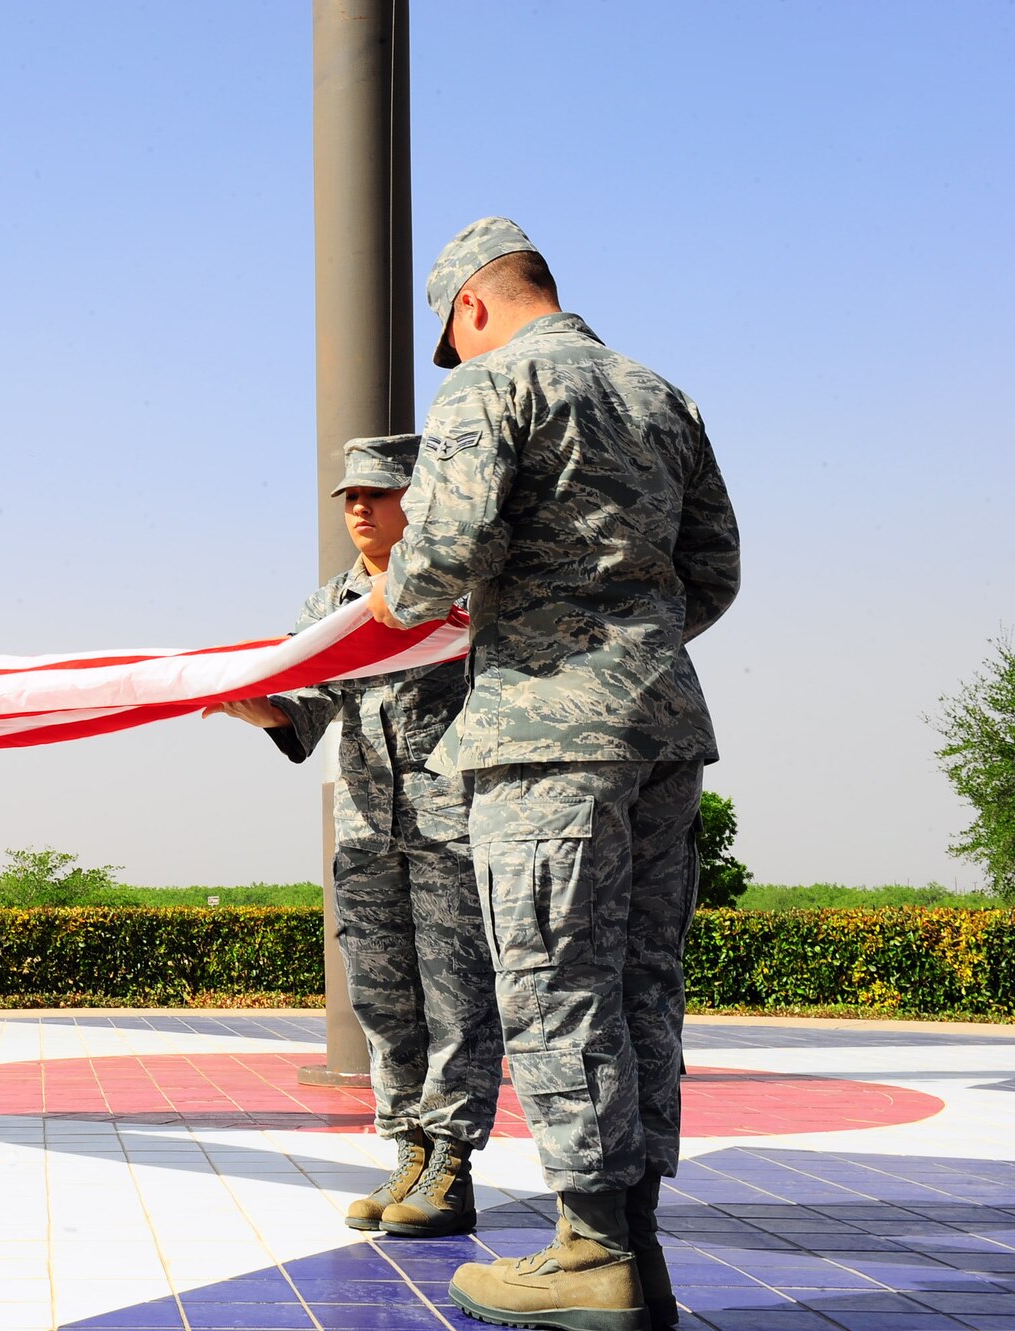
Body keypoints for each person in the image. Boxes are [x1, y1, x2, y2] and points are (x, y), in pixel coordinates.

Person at [368, 219, 741, 1331]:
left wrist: (393, 607)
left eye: (453, 335)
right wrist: (627, 640)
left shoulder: (490, 390)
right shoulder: (658, 396)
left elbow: (438, 553)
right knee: (639, 990)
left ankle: (588, 1250)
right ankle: (635, 1243)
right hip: (660, 732)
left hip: (542, 740)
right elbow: (713, 572)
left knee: (552, 982)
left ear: (469, 307)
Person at [208, 434, 501, 1239]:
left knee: (457, 997)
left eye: (377, 492)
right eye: (349, 495)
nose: (359, 507)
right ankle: (408, 1149)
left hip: (449, 823)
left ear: (418, 498)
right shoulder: (331, 604)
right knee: (383, 998)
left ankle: (451, 1161)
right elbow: (306, 705)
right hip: (368, 826)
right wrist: (259, 706)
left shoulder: (465, 590)